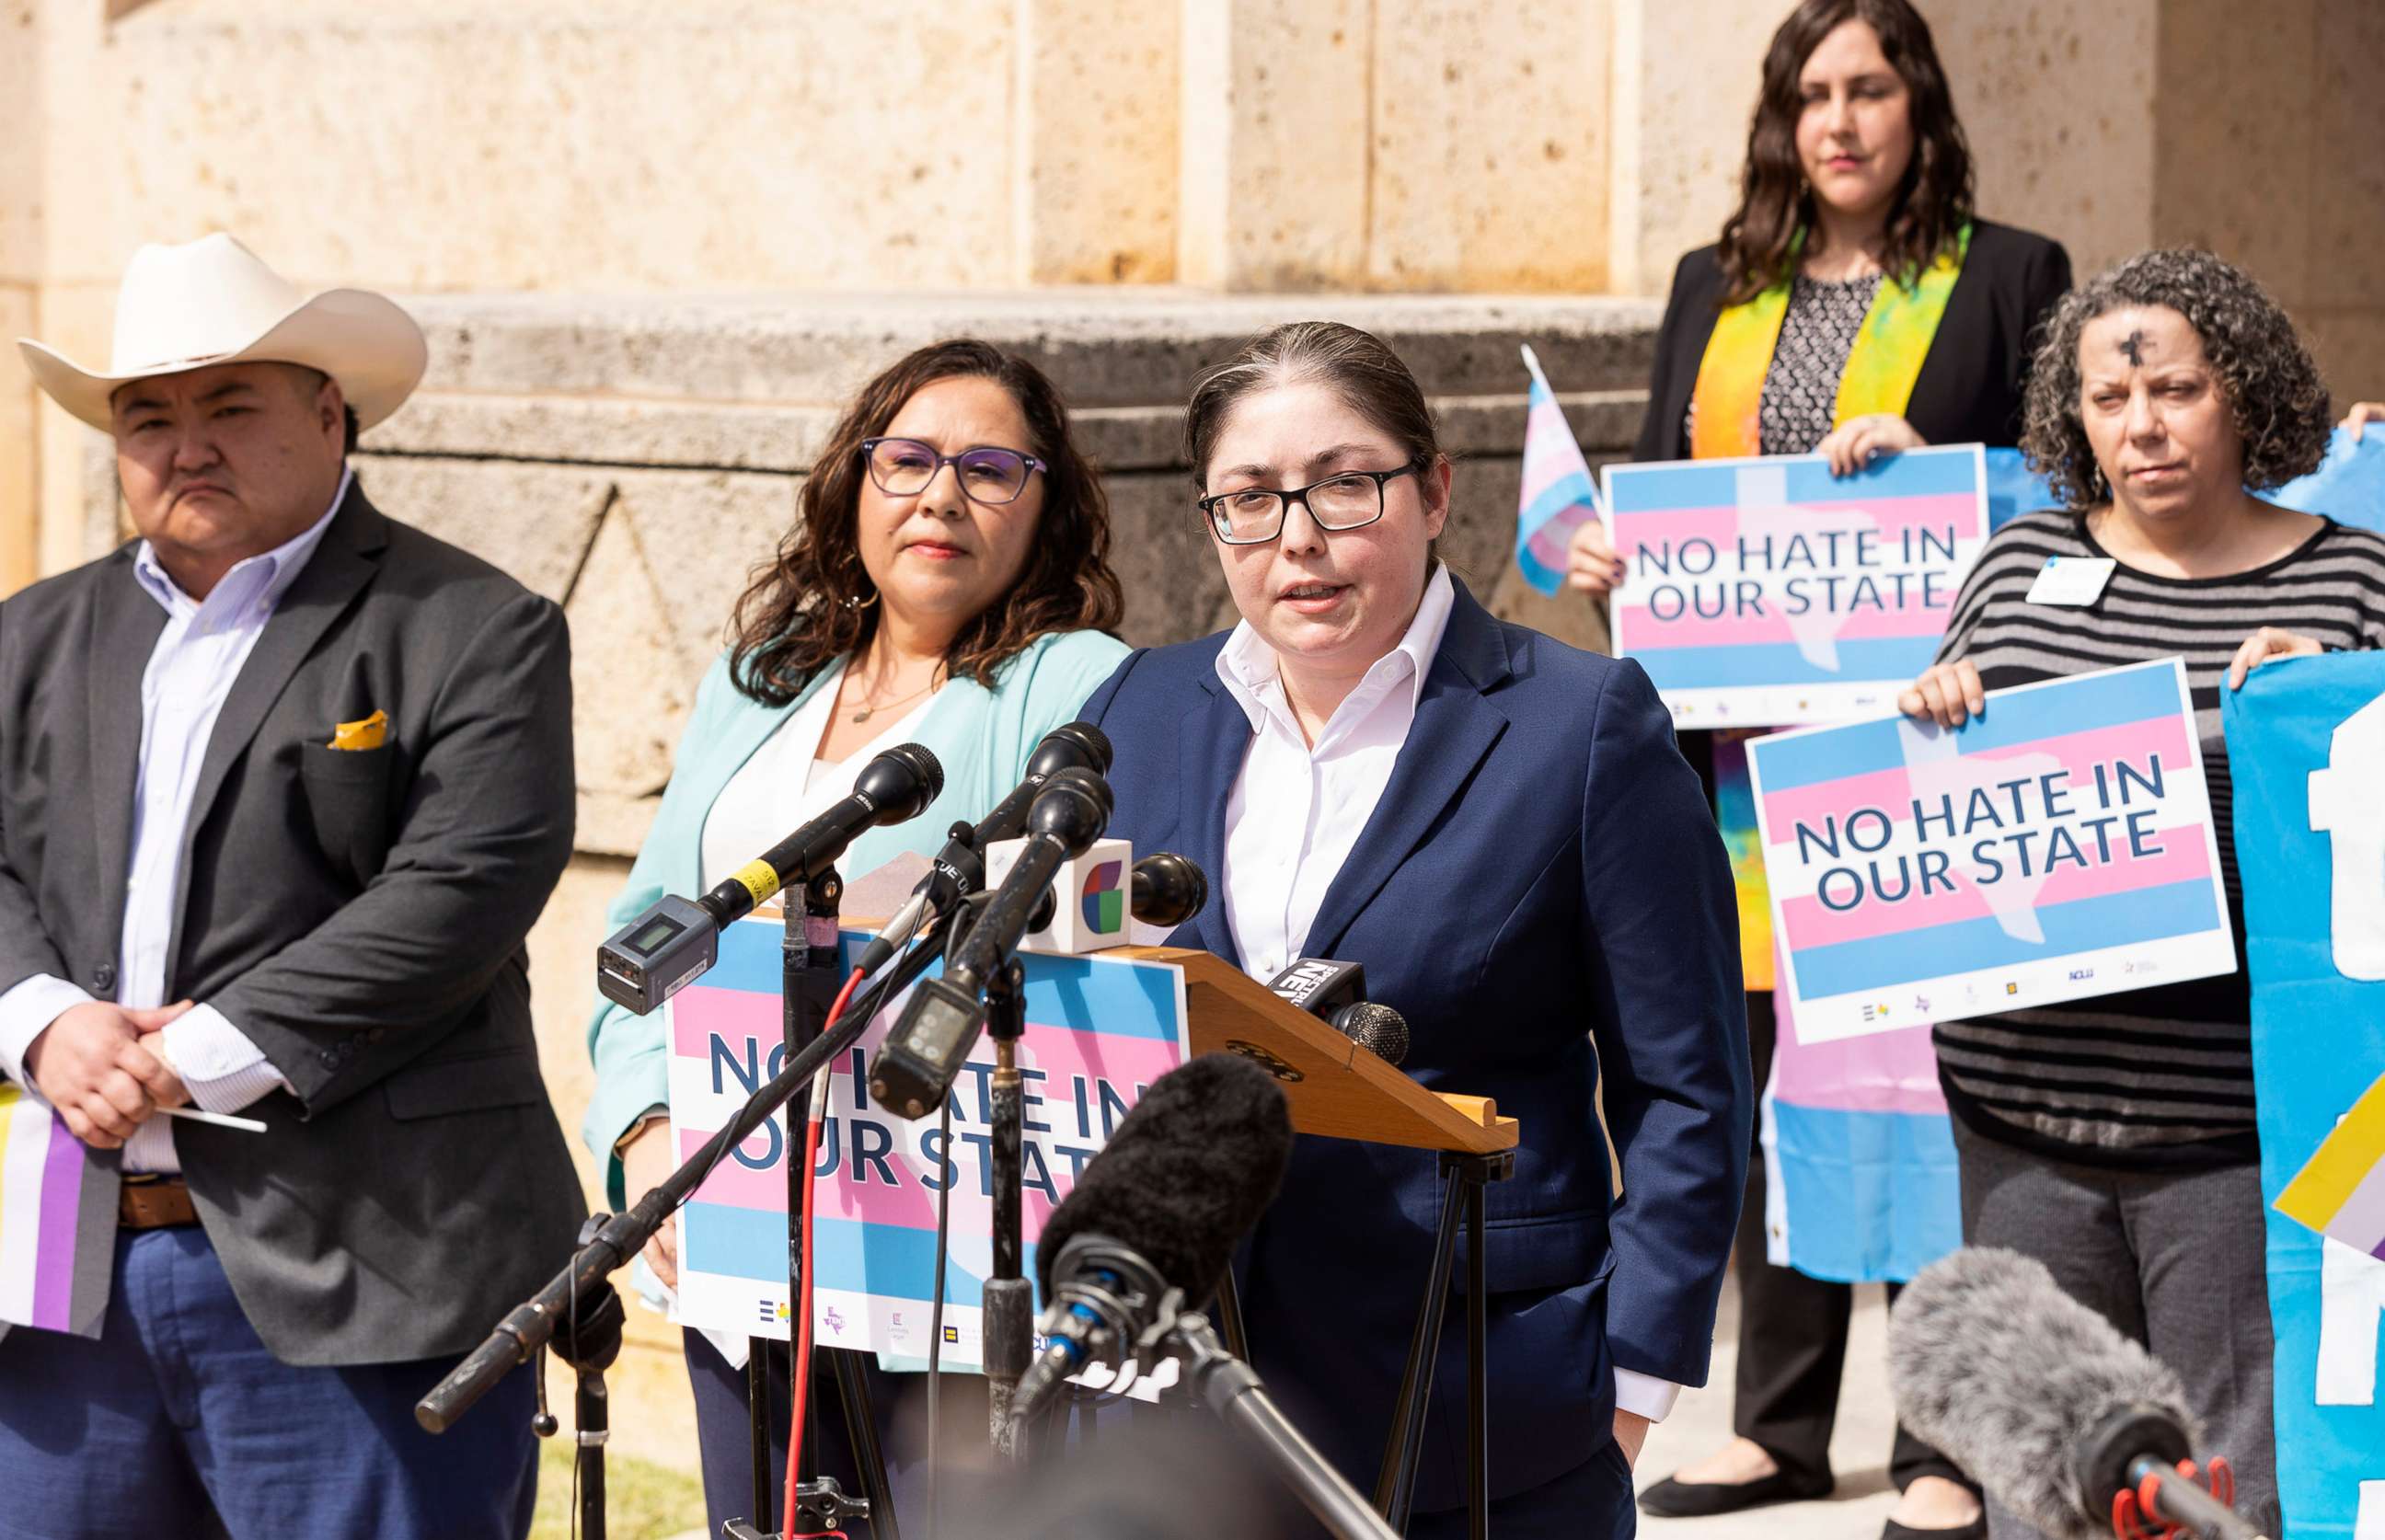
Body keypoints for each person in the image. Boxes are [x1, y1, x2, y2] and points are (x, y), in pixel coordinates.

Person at [1080, 320, 1752, 1539]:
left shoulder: (1583, 724)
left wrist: (1632, 1385)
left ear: (1436, 490)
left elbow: (1690, 1084)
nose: (1299, 536)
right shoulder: (1140, 705)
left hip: (1485, 1409)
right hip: (1186, 1417)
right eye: (1250, 498)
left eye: (1346, 483)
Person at [1570, 3, 2069, 1532]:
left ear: (1919, 105)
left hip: (1926, 745)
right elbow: (1670, 483)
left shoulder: (2009, 275)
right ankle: (1780, 1422)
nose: (1839, 119)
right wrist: (1613, 561)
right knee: (1760, 1067)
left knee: (1931, 1079)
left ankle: (1945, 1435)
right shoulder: (1713, 287)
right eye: (1810, 93)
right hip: (1735, 762)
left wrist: (1928, 466)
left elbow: (2067, 491)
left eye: (1868, 88)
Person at [0, 234, 585, 1537]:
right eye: (147, 415)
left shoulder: (474, 626)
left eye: (230, 405)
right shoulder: (30, 636)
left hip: (369, 1270)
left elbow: (467, 881)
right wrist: (42, 1017)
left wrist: (193, 1052)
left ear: (332, 414)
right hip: (62, 1287)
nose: (185, 444)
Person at [582, 339, 1130, 1535]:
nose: (942, 495)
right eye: (912, 459)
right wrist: (647, 1133)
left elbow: (1089, 949)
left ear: (1049, 505)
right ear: (856, 480)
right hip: (742, 1256)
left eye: (991, 467)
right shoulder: (760, 679)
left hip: (930, 1276)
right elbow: (644, 935)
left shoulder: (1073, 683)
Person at [1898, 247, 2385, 1540]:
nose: (2142, 428)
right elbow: (1941, 795)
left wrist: (2333, 700)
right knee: (2040, 1488)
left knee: (2233, 1490)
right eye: (2110, 401)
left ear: (2250, 396)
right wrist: (1936, 706)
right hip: (2017, 1117)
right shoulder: (2014, 566)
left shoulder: (2351, 581)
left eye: (2176, 390)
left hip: (2238, 1137)